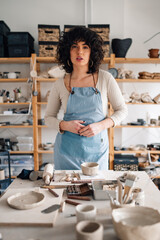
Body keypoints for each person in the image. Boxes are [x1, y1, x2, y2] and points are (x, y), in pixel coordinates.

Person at [45, 26, 127, 170]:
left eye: (85, 47)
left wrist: (101, 125)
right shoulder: (60, 83)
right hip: (66, 152)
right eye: (74, 46)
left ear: (92, 51)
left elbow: (122, 110)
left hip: (97, 152)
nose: (80, 51)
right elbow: (48, 118)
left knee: (96, 191)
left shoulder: (105, 78)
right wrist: (64, 125)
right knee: (67, 191)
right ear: (67, 51)